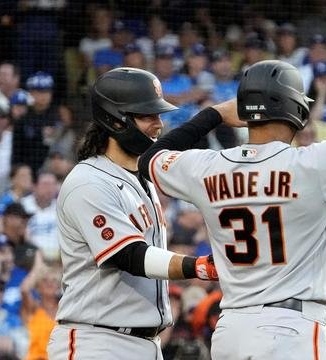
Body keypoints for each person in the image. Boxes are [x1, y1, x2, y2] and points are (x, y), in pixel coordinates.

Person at [137, 60, 326, 360]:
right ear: (297, 110)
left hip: (231, 328)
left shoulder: (208, 167)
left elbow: (149, 158)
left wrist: (215, 114)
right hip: (291, 329)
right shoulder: (314, 163)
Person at [46, 67, 217, 360]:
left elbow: (171, 147)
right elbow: (129, 255)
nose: (159, 124)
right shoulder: (88, 181)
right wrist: (197, 266)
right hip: (97, 341)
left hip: (143, 343)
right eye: (148, 115)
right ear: (116, 120)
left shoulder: (140, 177)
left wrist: (213, 116)